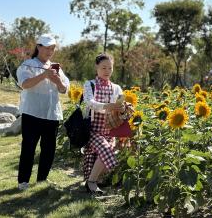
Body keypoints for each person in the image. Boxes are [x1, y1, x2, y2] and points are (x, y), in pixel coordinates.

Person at [16, 34, 70, 190]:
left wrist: (57, 80)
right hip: (32, 113)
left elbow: (64, 89)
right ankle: (23, 182)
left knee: (49, 149)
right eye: (47, 48)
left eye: (52, 48)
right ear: (38, 47)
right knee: (29, 147)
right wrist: (44, 75)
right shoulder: (28, 65)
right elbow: (25, 84)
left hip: (52, 114)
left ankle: (42, 180)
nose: (50, 51)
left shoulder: (56, 68)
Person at [82, 53, 133, 194]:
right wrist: (107, 106)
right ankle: (91, 182)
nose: (107, 71)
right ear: (96, 67)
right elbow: (89, 103)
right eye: (104, 67)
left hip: (110, 131)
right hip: (93, 130)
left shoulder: (116, 88)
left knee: (107, 154)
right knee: (107, 151)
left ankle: (94, 180)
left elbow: (122, 110)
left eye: (110, 68)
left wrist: (122, 108)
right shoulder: (89, 84)